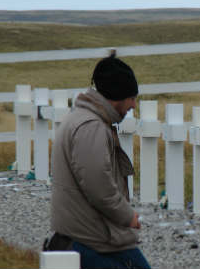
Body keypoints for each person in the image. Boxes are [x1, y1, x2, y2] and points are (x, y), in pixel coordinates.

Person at [49, 54, 150, 269]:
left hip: (89, 234)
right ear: (118, 96)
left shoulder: (86, 119)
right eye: (132, 98)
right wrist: (127, 216)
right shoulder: (90, 127)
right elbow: (99, 186)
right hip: (88, 239)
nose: (133, 106)